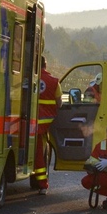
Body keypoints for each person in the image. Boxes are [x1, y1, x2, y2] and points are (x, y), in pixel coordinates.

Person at [32, 56, 62, 195]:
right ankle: (42, 185)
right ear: (46, 64)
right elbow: (59, 103)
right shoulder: (54, 82)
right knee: (41, 155)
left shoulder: (28, 78)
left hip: (27, 123)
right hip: (45, 125)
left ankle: (41, 183)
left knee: (36, 154)